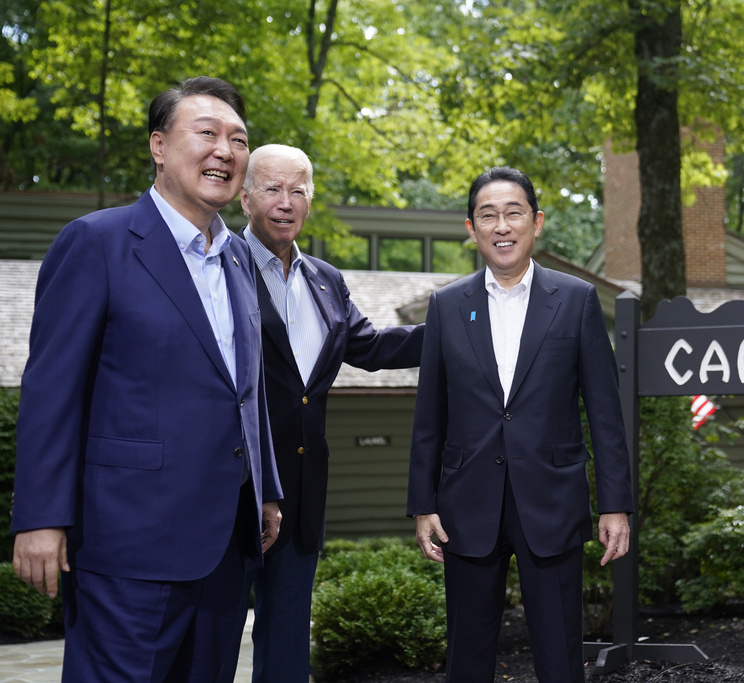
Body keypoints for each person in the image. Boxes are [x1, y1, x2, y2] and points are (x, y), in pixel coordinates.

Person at [10, 76, 283, 682]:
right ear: (159, 147)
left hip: (225, 545)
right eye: (206, 133)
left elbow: (246, 385)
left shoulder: (239, 258)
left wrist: (263, 487)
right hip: (128, 545)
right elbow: (52, 391)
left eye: (238, 139)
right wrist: (39, 517)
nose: (225, 150)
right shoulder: (96, 242)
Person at [407, 166, 634, 682]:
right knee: (466, 657)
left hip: (551, 503)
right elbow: (429, 416)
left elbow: (604, 411)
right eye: (488, 216)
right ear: (471, 228)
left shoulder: (575, 301)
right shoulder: (446, 306)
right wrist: (423, 505)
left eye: (514, 213)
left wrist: (615, 503)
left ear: (537, 222)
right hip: (466, 506)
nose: (502, 226)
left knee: (559, 659)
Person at [219, 144, 425, 683]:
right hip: (232, 488)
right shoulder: (219, 266)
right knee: (211, 639)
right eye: (272, 189)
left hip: (304, 489)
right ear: (245, 198)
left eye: (298, 191)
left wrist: (456, 325)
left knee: (287, 641)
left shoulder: (327, 280)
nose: (285, 202)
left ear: (311, 201)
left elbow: (373, 348)